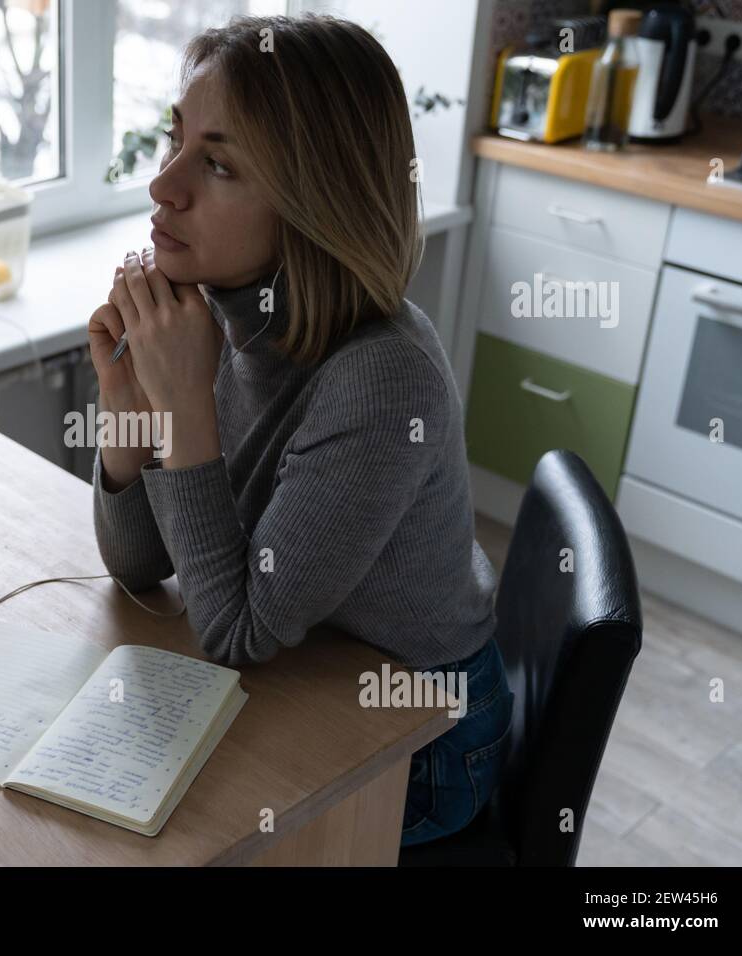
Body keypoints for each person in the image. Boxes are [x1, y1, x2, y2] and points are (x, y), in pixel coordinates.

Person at [86, 13, 514, 847]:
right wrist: (125, 405)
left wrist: (184, 408)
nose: (161, 187)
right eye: (175, 141)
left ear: (318, 205)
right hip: (312, 669)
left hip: (421, 737)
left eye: (216, 164)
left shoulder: (383, 381)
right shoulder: (211, 308)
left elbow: (237, 633)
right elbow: (140, 566)